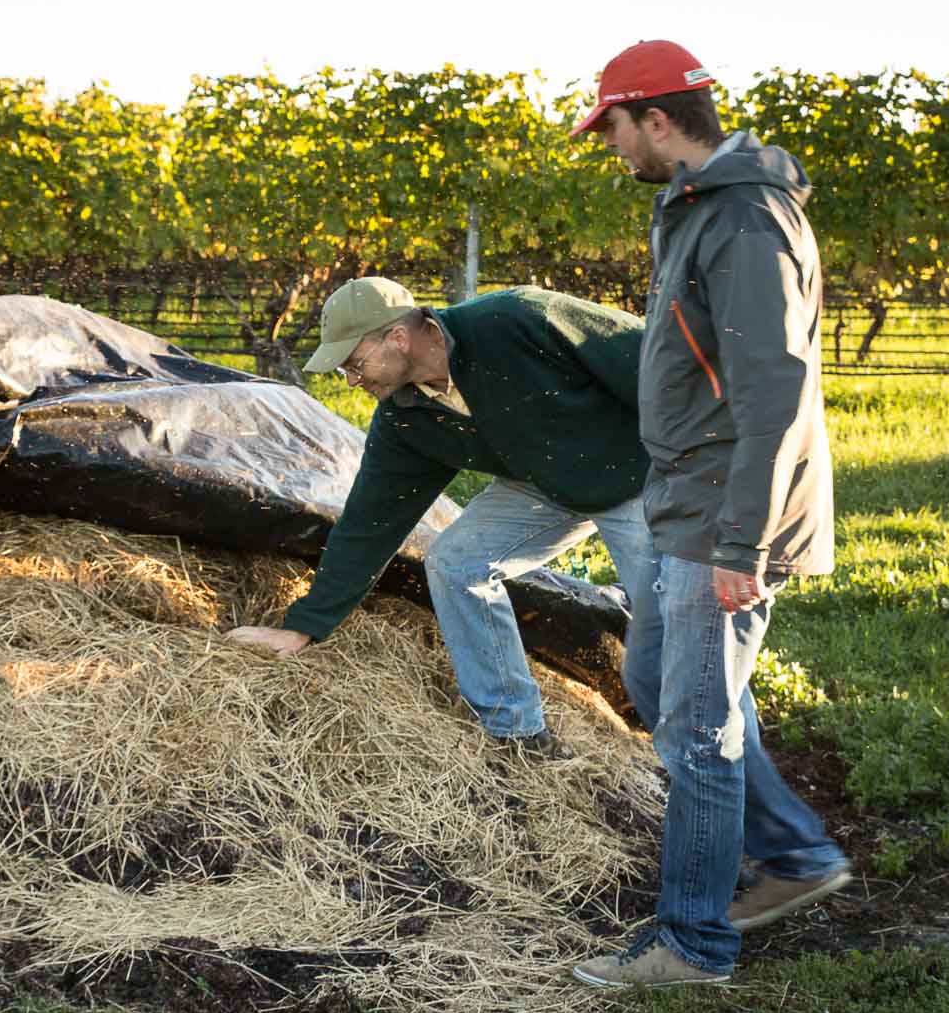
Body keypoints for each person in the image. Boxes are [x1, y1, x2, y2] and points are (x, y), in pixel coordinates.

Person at [566, 40, 850, 988]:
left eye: (610, 127)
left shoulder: (741, 223)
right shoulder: (697, 211)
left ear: (654, 116)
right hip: (689, 497)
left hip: (725, 510)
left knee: (699, 728)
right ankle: (795, 855)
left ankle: (692, 944)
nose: (610, 148)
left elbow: (772, 390)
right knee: (656, 677)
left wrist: (744, 540)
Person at [227, 277, 660, 759]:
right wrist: (302, 626)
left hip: (641, 474)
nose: (352, 379)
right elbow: (370, 523)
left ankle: (720, 762)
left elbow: (655, 361)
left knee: (674, 622)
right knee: (456, 564)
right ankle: (518, 733)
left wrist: (716, 470)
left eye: (355, 362)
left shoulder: (513, 321)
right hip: (544, 484)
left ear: (397, 336)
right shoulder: (406, 415)